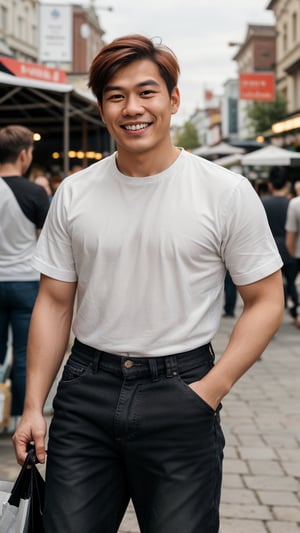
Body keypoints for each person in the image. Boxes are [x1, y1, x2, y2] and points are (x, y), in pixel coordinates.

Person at [13, 35, 284, 533]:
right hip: (85, 392)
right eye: (115, 96)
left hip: (182, 386)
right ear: (102, 108)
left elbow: (266, 299)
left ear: (173, 99)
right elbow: (53, 304)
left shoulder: (224, 191)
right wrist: (34, 404)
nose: (131, 108)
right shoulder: (74, 194)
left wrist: (210, 390)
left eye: (146, 92)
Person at [0, 125, 49, 424]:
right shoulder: (35, 193)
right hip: (26, 283)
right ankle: (20, 418)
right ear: (23, 155)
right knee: (23, 354)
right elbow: (47, 244)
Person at [262, 167, 300, 328]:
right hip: (290, 248)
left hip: (268, 249)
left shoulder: (262, 203)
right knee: (292, 283)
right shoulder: (290, 203)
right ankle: (294, 311)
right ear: (287, 184)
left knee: (271, 288)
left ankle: (272, 315)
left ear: (270, 185)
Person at [285, 193, 300, 328]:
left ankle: (297, 314)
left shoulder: (295, 203)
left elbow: (291, 233)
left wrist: (291, 253)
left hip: (297, 254)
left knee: (294, 284)